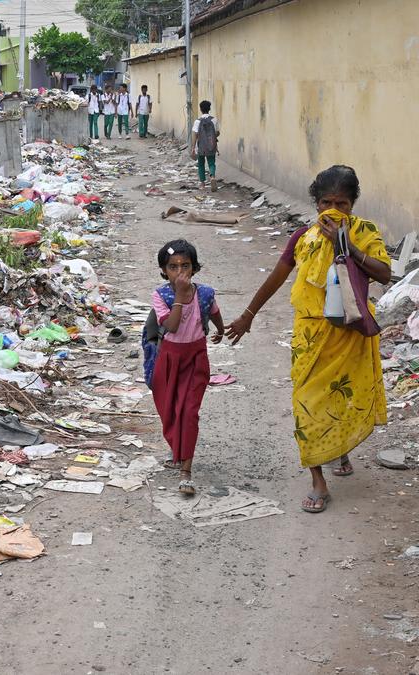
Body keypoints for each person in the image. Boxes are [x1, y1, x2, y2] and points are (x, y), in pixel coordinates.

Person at [226, 165, 391, 513]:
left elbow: (384, 273)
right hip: (311, 333)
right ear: (315, 204)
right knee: (306, 402)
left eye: (342, 204)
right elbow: (277, 277)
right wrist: (248, 315)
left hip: (350, 332)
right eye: (326, 202)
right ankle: (318, 479)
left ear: (353, 204)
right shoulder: (302, 237)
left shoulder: (365, 233)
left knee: (342, 395)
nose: (334, 210)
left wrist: (346, 246)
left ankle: (339, 448)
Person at [150, 240, 224, 496]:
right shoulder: (161, 295)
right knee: (169, 410)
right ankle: (177, 449)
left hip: (195, 358)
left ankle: (186, 472)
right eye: (173, 267)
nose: (180, 272)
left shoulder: (205, 293)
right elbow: (170, 326)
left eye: (185, 266)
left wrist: (221, 330)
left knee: (189, 411)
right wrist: (180, 299)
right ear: (164, 270)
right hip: (170, 358)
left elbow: (213, 312)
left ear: (194, 268)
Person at [191, 100, 220, 191]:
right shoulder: (214, 120)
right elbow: (217, 133)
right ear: (209, 109)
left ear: (200, 109)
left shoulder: (197, 121)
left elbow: (195, 135)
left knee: (201, 164)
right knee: (211, 163)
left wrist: (193, 147)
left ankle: (202, 184)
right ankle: (212, 176)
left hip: (201, 146)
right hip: (211, 145)